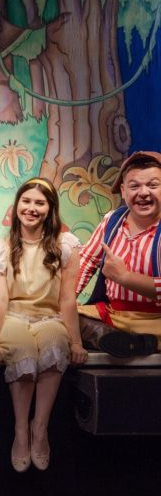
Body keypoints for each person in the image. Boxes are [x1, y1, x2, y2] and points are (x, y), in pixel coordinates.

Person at [0, 178, 87, 472]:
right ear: (17, 205)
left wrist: (77, 342)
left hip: (49, 317)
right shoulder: (1, 249)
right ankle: (20, 429)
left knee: (56, 346)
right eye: (26, 201)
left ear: (50, 208)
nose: (31, 208)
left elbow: (67, 298)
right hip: (13, 316)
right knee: (23, 350)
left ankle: (39, 428)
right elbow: (0, 300)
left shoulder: (65, 246)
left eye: (39, 203)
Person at [75, 151, 161, 356]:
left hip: (156, 320)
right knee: (65, 318)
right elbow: (86, 260)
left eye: (153, 185)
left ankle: (142, 342)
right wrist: (67, 298)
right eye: (134, 186)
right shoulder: (112, 221)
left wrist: (125, 277)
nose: (143, 193)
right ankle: (123, 341)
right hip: (115, 317)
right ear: (123, 191)